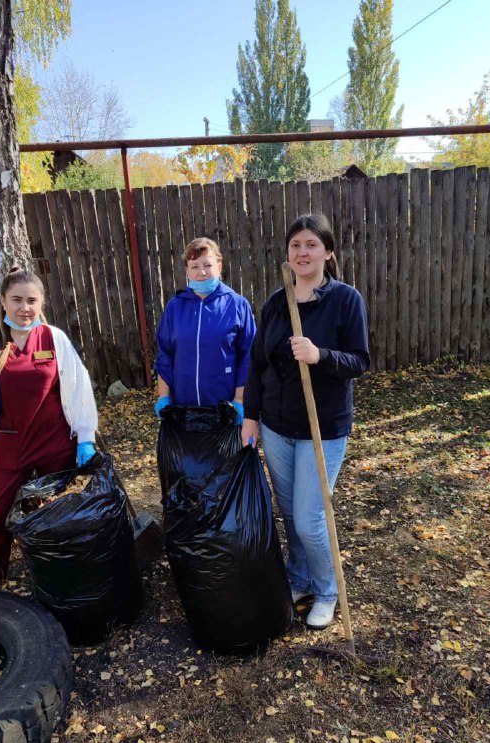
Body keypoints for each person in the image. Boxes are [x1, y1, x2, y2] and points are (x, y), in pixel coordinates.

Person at [241, 214, 369, 630]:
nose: (302, 252)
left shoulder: (346, 300)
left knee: (309, 518)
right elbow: (258, 364)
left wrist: (320, 356)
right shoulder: (276, 303)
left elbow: (360, 361)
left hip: (323, 427)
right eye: (296, 245)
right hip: (278, 427)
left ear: (327, 252)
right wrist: (251, 417)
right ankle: (299, 578)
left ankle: (327, 591)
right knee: (289, 512)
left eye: (311, 244)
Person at [0, 266, 98, 591]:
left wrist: (85, 437)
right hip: (9, 444)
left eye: (31, 300)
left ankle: (64, 575)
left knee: (58, 513)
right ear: (3, 301)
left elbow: (79, 386)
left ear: (41, 302)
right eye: (17, 300)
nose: (24, 307)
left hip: (55, 443)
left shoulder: (54, 338)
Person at [154, 237, 256, 422]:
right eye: (194, 267)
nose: (201, 272)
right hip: (183, 410)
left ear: (219, 266)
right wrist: (163, 397)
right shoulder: (175, 307)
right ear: (187, 270)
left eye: (207, 265)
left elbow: (248, 357)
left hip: (225, 410)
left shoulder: (237, 305)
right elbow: (165, 355)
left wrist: (240, 400)